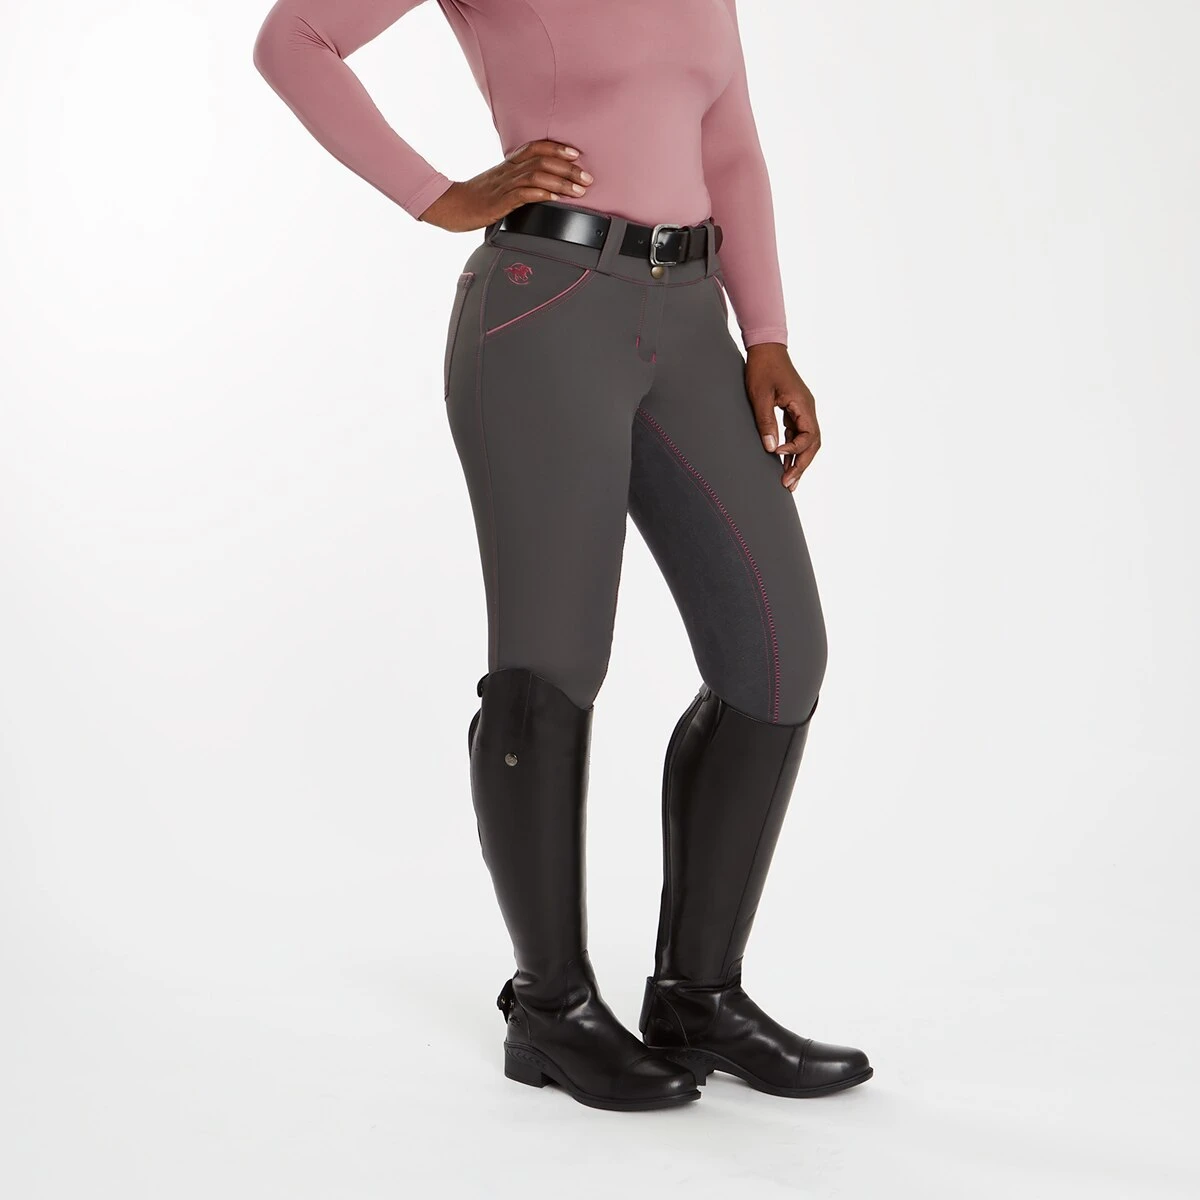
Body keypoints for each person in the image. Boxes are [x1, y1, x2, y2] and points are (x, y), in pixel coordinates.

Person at [252, 0, 872, 1112]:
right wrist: (440, 195)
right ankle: (551, 1007)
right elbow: (293, 41)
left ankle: (698, 996)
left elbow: (729, 140)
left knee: (779, 660)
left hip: (694, 323)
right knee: (552, 663)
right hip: (547, 312)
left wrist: (768, 333)